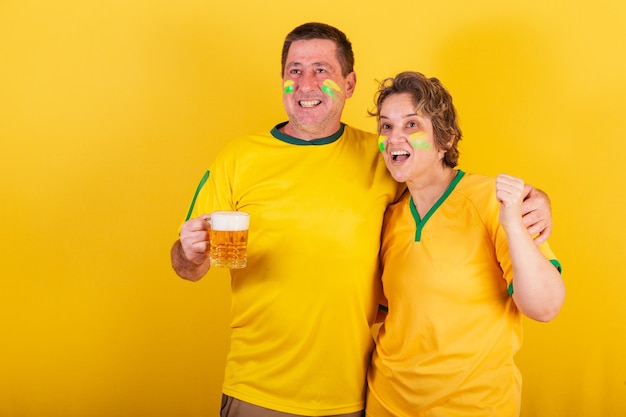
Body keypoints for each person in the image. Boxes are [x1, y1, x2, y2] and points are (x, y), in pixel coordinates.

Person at [170, 23, 552, 417]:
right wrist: (188, 251)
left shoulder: (384, 153)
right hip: (257, 391)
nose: (306, 83)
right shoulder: (238, 158)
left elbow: (445, 186)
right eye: (294, 71)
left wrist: (534, 201)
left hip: (352, 396)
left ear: (349, 83)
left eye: (321, 70)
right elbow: (188, 267)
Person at [365, 71, 566, 417]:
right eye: (386, 126)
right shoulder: (389, 216)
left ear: (445, 140)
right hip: (386, 401)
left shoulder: (491, 200)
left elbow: (545, 307)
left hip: (473, 406)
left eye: (412, 125)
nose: (394, 137)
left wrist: (513, 227)